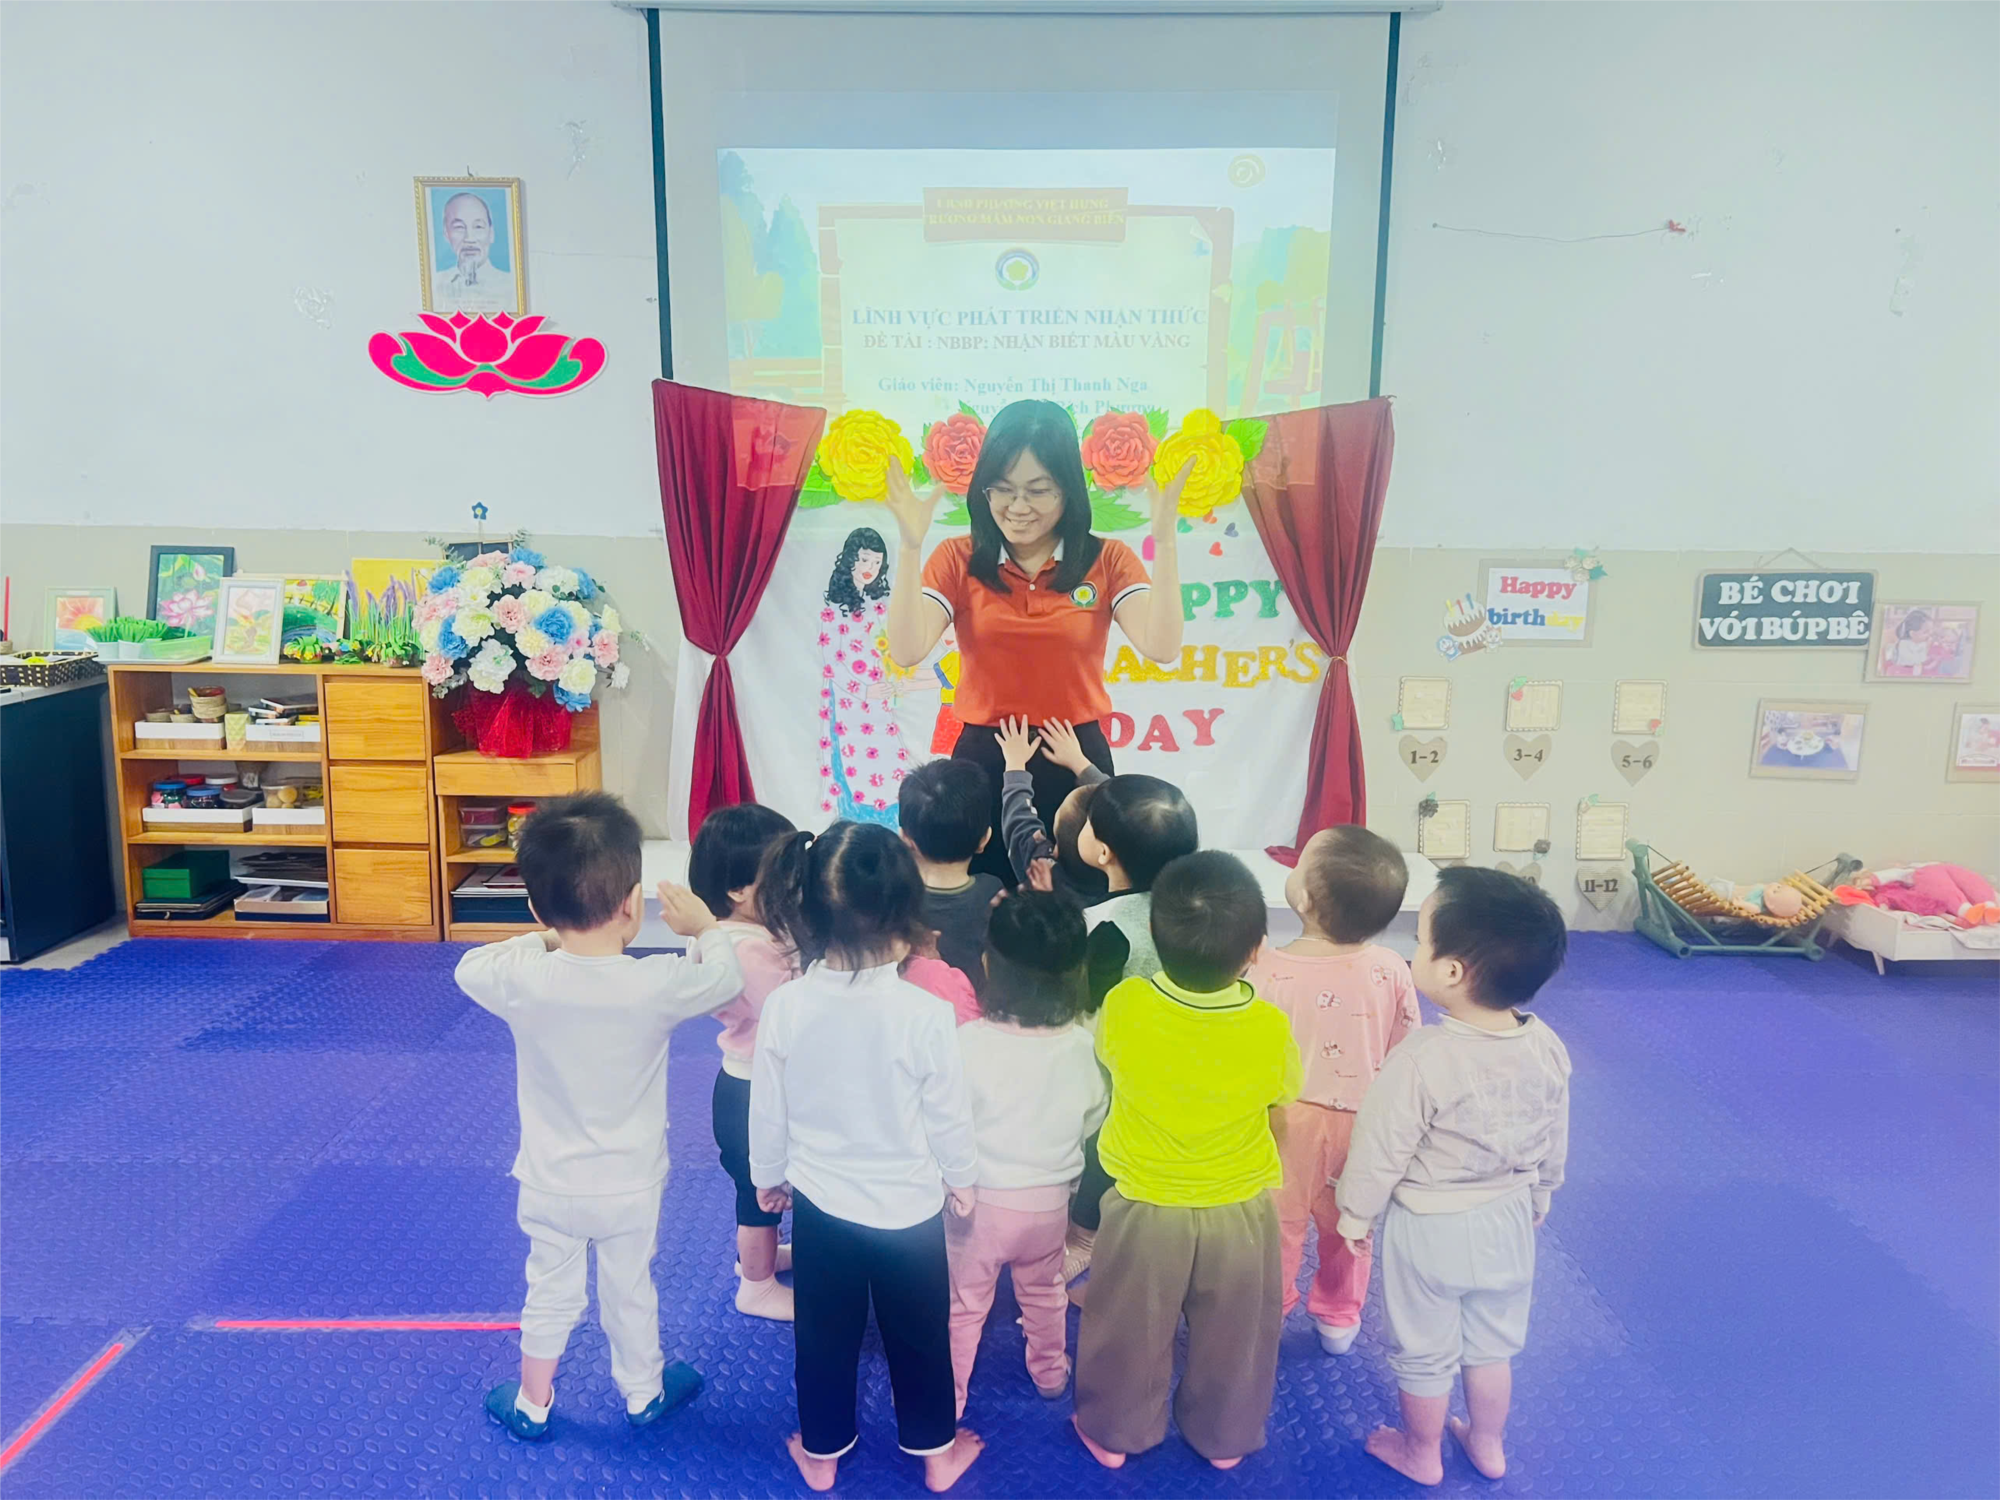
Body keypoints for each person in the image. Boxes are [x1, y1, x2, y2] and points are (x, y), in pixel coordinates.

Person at [454, 792, 745, 1440]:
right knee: (629, 1289)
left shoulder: (524, 981)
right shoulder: (655, 984)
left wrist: (545, 936)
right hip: (630, 1183)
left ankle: (532, 1401)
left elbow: (472, 967)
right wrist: (706, 930)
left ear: (538, 908)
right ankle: (643, 1393)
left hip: (549, 1180)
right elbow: (725, 980)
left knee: (548, 1290)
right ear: (631, 905)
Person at [748, 822, 986, 1492]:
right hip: (910, 1213)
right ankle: (937, 1455)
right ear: (907, 918)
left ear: (810, 914)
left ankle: (821, 1455)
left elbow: (767, 1107)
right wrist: (963, 1179)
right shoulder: (924, 1013)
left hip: (823, 1211)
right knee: (920, 1336)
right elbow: (948, 1113)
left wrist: (768, 1177)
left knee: (823, 1338)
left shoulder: (787, 1006)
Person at [884, 398, 1194, 882]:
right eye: (1003, 489)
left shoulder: (1107, 559)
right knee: (985, 898)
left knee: (1085, 898)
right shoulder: (958, 557)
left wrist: (1166, 543)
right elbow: (906, 651)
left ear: (1068, 489)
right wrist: (909, 547)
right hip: (984, 757)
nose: (1018, 507)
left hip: (1074, 754)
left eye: (1038, 490)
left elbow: (1162, 646)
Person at [1335, 866, 1570, 1487]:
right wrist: (1544, 1190)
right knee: (1492, 1346)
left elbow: (1380, 1147)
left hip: (1430, 1227)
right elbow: (1555, 1126)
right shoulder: (1546, 1045)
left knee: (1424, 1351)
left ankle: (1422, 1452)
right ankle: (1488, 1444)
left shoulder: (1422, 1057)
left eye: (1420, 940)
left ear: (1453, 972)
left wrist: (1355, 1215)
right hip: (1509, 1219)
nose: (1413, 950)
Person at [1073, 851, 1300, 1471]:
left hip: (1145, 1204)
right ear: (1256, 949)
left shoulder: (1127, 1006)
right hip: (1241, 1207)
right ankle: (1225, 1438)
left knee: (1128, 1328)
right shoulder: (1270, 1026)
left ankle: (1115, 1433)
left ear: (1153, 931)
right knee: (1238, 1335)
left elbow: (1110, 1064)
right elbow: (1281, 1105)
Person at [1247, 825, 1418, 1355]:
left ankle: (1269, 1309)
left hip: (1284, 1121)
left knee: (1278, 1222)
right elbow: (1404, 1047)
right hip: (1364, 1122)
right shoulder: (1391, 968)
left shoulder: (1264, 967)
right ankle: (1339, 1317)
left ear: (1302, 898)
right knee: (1351, 1223)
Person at [947, 892, 1108, 1416]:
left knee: (964, 1305)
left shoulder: (966, 1043)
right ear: (1076, 974)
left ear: (988, 965)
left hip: (976, 1207)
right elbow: (1093, 1118)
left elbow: (946, 1122)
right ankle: (1050, 1373)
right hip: (1049, 1205)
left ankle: (949, 1397)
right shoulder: (1083, 1047)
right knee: (1044, 1292)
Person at [1064, 772, 1199, 1292]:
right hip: (1181, 1069)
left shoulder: (1098, 923)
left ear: (1102, 852)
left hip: (1112, 1073)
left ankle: (1083, 1239)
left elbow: (1085, 1009)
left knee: (1102, 1152)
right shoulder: (1194, 916)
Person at [688, 801, 801, 1322]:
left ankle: (763, 1257)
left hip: (753, 1083)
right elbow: (786, 1013)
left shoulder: (741, 934)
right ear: (737, 889)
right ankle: (756, 1285)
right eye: (781, 874)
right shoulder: (745, 950)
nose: (793, 885)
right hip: (755, 1089)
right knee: (760, 1193)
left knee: (767, 1188)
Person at [817, 526, 911, 824]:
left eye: (877, 562)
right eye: (865, 559)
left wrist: (894, 677)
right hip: (850, 702)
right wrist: (863, 690)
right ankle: (857, 824)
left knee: (889, 763)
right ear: (850, 560)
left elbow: (889, 647)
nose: (871, 568)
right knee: (855, 764)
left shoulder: (879, 603)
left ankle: (891, 825)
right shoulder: (835, 608)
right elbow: (832, 664)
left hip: (880, 698)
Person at [1078, 774, 1201, 990]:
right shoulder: (1196, 906)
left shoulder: (1099, 924)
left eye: (1088, 821)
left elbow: (1091, 998)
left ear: (1104, 852)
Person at [898, 759, 1004, 995]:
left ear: (905, 838)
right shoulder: (992, 891)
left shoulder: (894, 897)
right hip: (973, 1006)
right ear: (985, 839)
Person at [995, 716, 1109, 905]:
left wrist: (1015, 762)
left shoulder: (1044, 871)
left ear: (1054, 849)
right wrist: (1079, 762)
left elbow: (1019, 824)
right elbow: (1123, 805)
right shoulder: (1127, 869)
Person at [428, 189, 516, 315]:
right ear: (446, 234)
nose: (469, 238)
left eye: (478, 227)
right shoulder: (435, 286)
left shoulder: (511, 286)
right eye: (459, 227)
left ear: (491, 233)